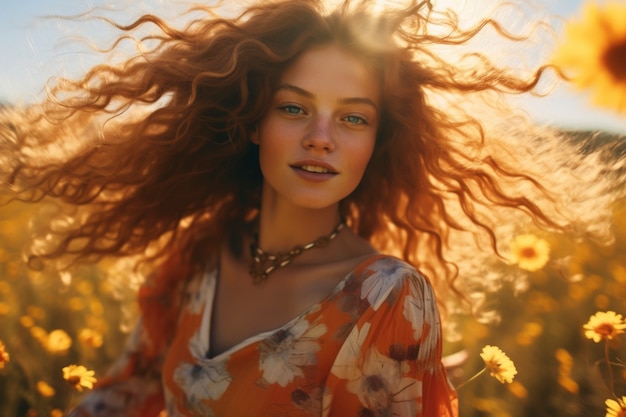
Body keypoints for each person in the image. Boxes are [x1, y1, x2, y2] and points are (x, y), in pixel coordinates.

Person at [0, 0, 621, 416]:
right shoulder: (198, 256)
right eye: (294, 107)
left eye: (353, 118)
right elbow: (124, 393)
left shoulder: (387, 299)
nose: (321, 136)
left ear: (376, 144)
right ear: (251, 122)